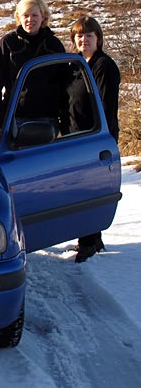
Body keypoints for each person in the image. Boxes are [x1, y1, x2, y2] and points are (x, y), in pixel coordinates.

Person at [67, 16, 121, 263]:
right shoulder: (77, 65)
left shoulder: (103, 66)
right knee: (79, 190)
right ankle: (86, 238)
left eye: (89, 35)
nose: (84, 39)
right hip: (76, 139)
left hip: (95, 140)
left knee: (91, 190)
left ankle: (91, 241)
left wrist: (99, 140)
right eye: (79, 35)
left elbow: (105, 106)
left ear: (98, 38)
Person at [0, 0, 66, 136]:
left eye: (35, 15)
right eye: (26, 15)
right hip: (16, 117)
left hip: (48, 118)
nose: (30, 20)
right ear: (19, 17)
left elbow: (65, 84)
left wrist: (66, 119)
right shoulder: (8, 44)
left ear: (43, 16)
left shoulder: (54, 45)